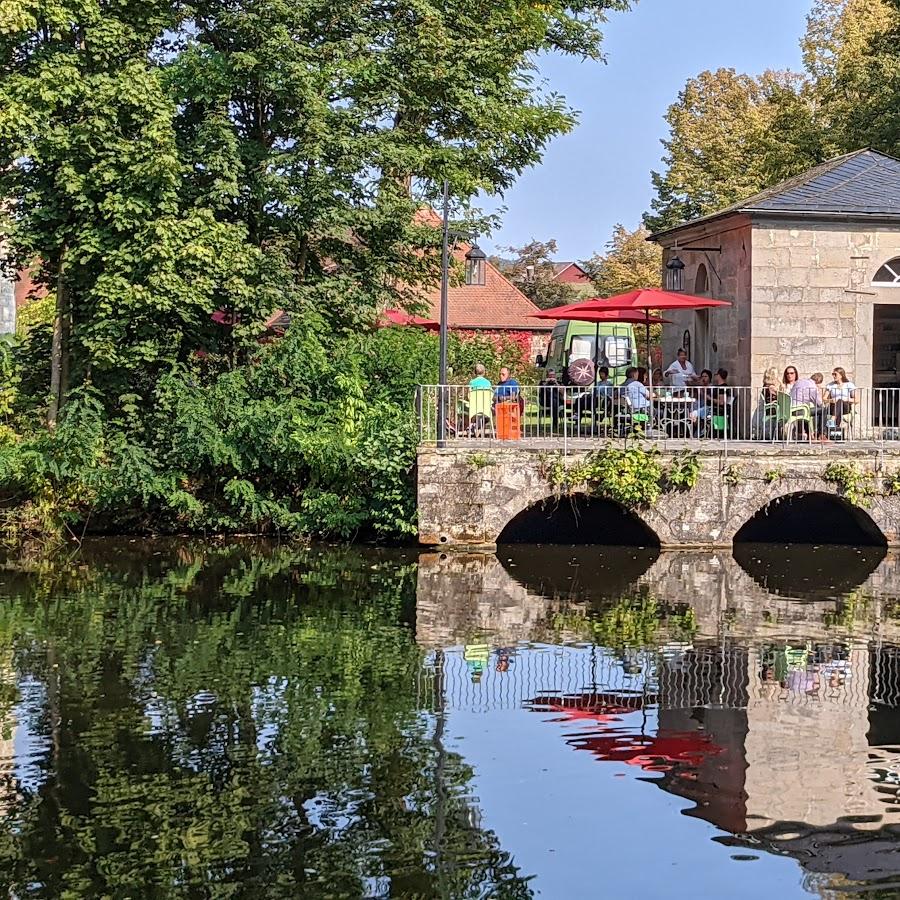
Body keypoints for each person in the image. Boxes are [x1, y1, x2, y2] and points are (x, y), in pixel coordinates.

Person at [790, 371, 827, 439]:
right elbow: (820, 404)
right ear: (818, 381)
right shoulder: (812, 387)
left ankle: (809, 435)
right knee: (823, 410)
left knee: (807, 411)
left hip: (790, 409)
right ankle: (821, 434)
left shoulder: (799, 382)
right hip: (800, 410)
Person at [826, 366, 857, 431]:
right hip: (833, 406)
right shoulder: (830, 385)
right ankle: (835, 429)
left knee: (840, 401)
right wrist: (831, 400)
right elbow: (824, 398)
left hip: (846, 406)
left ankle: (832, 420)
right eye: (833, 374)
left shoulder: (849, 385)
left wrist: (846, 399)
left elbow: (856, 400)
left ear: (841, 375)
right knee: (838, 406)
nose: (833, 376)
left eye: (835, 374)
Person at [538, 368, 563, 433]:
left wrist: (557, 383)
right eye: (550, 375)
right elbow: (539, 391)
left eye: (553, 375)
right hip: (545, 401)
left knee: (554, 401)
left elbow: (563, 392)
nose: (552, 377)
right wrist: (546, 382)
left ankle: (555, 423)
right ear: (547, 376)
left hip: (557, 402)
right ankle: (555, 423)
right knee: (553, 400)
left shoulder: (559, 382)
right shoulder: (543, 382)